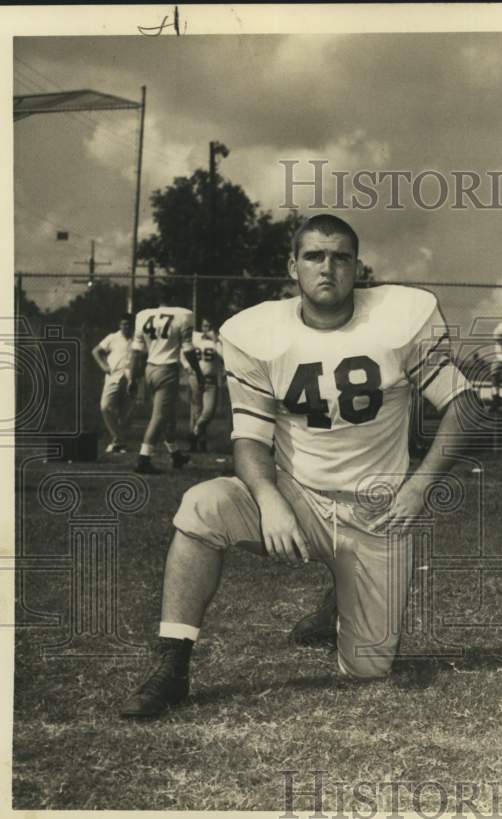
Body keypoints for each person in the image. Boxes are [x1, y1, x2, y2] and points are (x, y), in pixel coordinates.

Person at [119, 213, 477, 718]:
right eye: (314, 256)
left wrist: (419, 487)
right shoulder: (259, 333)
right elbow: (248, 438)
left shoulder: (396, 324)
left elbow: (465, 405)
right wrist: (270, 501)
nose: (327, 268)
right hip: (298, 497)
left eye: (340, 257)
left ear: (358, 268)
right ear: (293, 266)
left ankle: (337, 601)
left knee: (368, 671)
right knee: (201, 505)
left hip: (375, 514)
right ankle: (171, 663)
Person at [128, 289, 204, 473]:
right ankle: (143, 459)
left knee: (168, 415)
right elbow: (187, 349)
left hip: (149, 369)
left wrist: (132, 377)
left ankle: (175, 454)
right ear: (174, 299)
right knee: (160, 416)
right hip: (167, 369)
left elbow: (136, 352)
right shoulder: (183, 315)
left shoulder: (143, 315)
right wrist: (198, 373)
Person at [92, 314, 136, 454]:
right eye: (123, 324)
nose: (126, 327)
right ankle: (119, 440)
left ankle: (118, 443)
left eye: (129, 324)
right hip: (113, 377)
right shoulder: (113, 337)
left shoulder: (137, 339)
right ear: (119, 325)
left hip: (131, 379)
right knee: (105, 407)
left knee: (126, 414)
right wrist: (104, 366)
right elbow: (96, 351)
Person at [183, 317, 224, 452]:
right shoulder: (195, 338)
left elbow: (224, 356)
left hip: (211, 379)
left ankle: (195, 433)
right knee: (196, 411)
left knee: (208, 412)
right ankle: (198, 443)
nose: (207, 329)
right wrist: (186, 366)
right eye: (205, 326)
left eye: (210, 326)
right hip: (195, 377)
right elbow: (183, 351)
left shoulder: (218, 342)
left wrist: (216, 340)